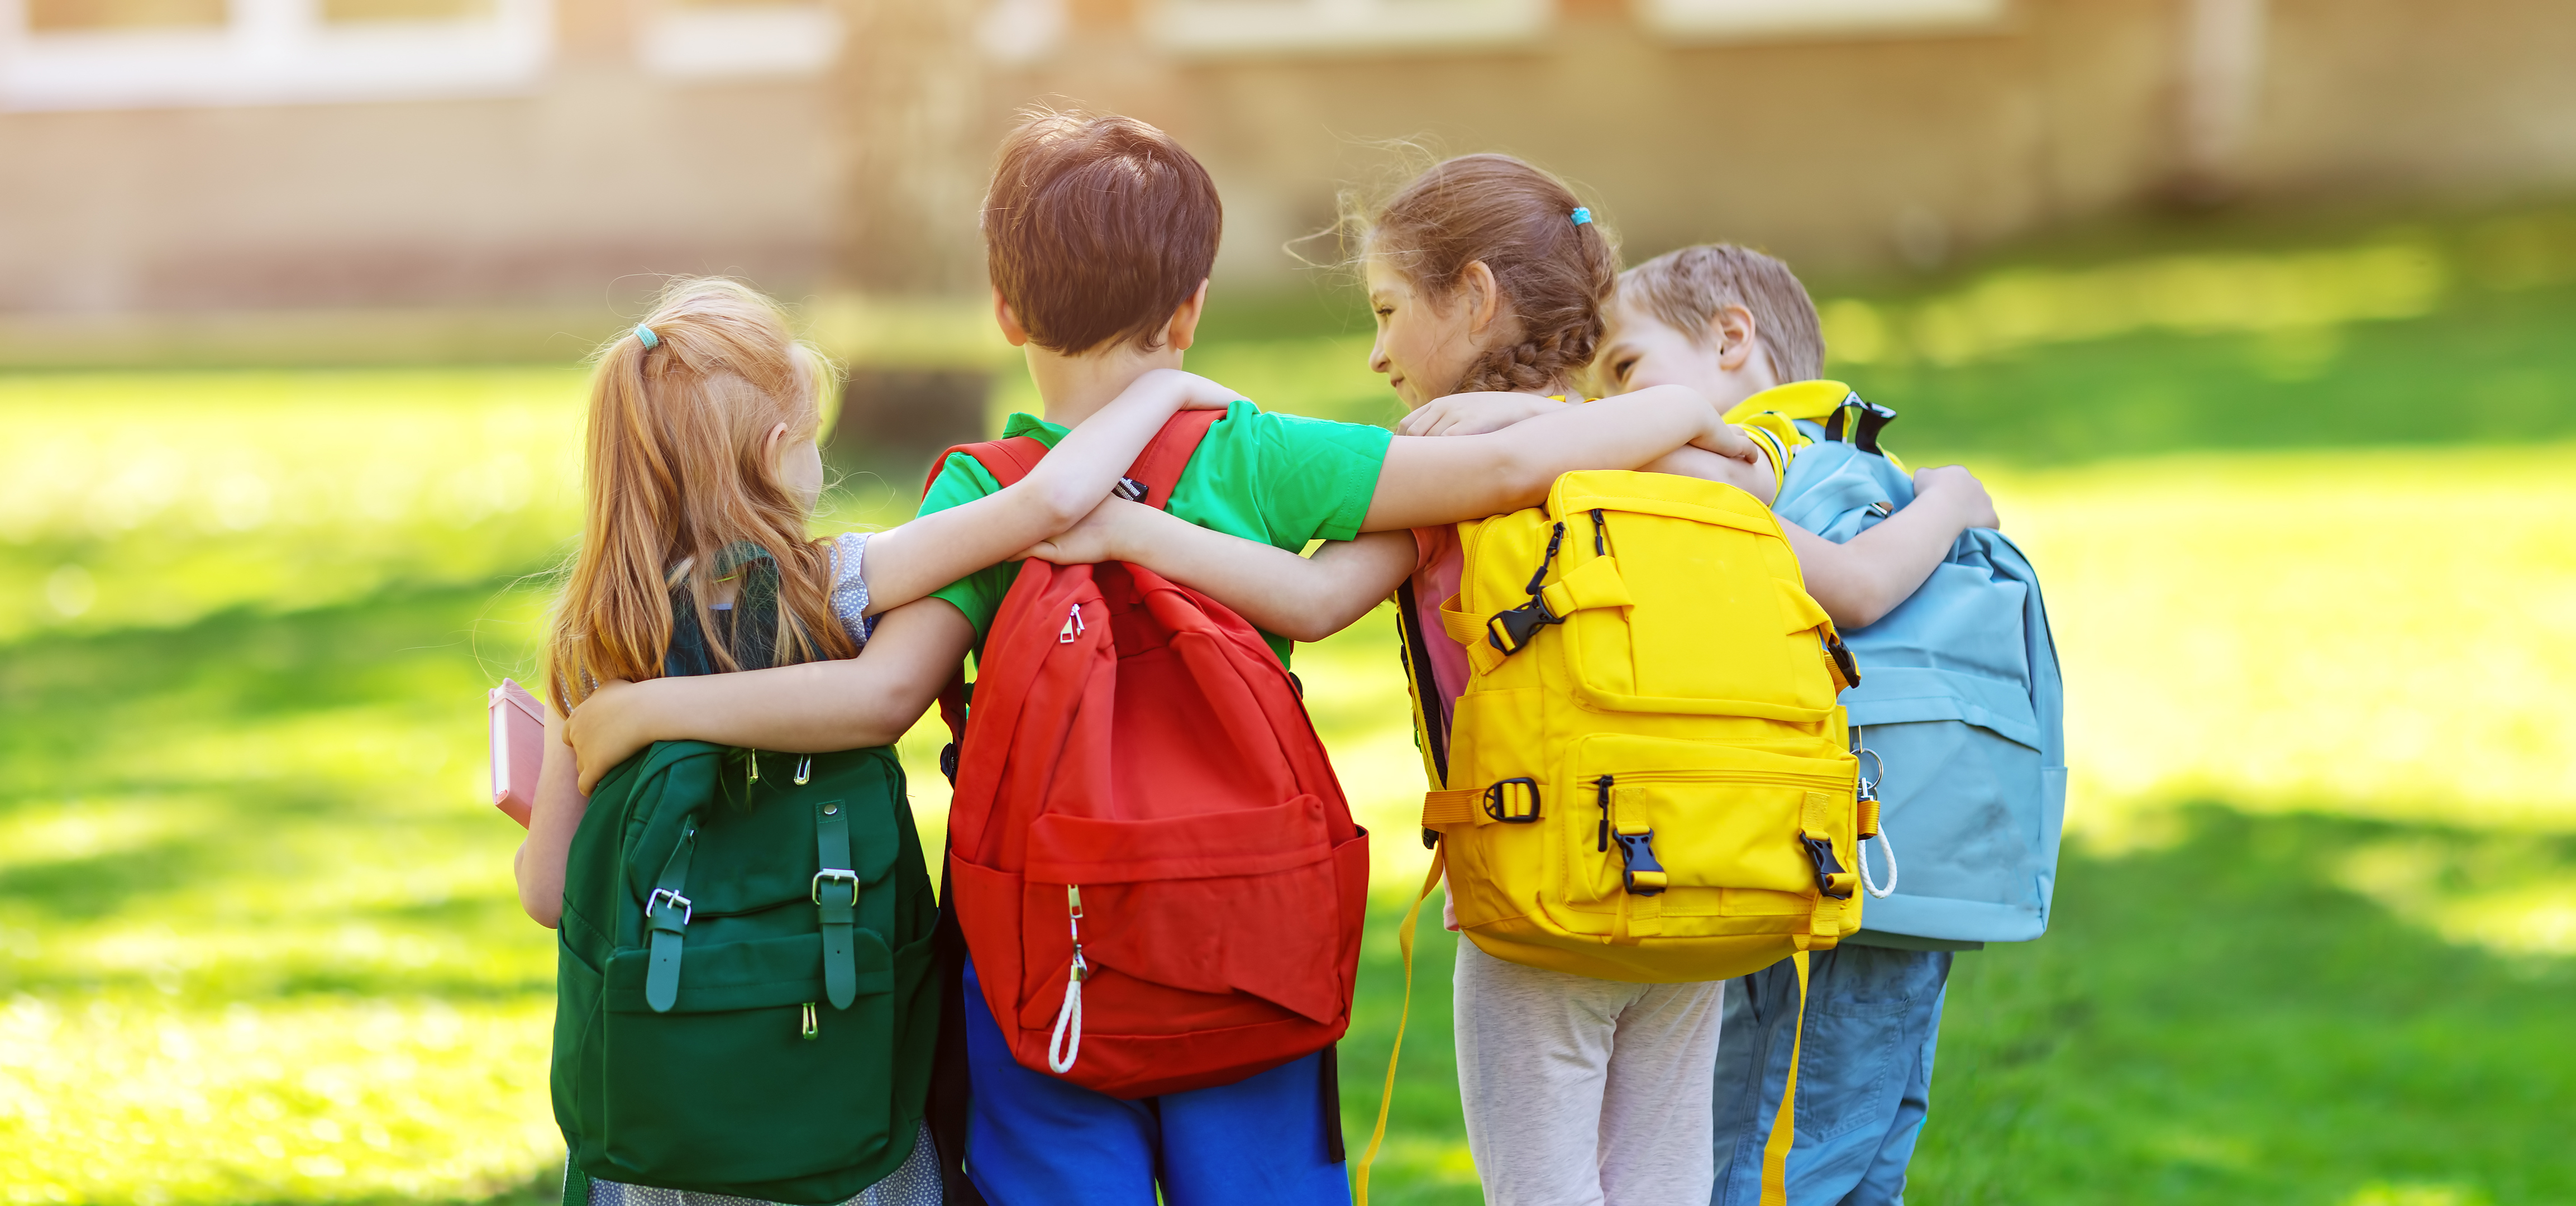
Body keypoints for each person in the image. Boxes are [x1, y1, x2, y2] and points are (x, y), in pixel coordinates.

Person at [561, 112, 1762, 1206]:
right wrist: (1694, 406)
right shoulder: (1259, 455)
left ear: (1005, 310)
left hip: (1046, 955)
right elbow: (1501, 479)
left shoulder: (983, 491)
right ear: (1188, 311)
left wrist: (647, 710)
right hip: (1249, 943)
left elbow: (880, 694)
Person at [1018, 158, 1997, 1206]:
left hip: (1540, 902)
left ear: (1475, 298)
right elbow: (1828, 569)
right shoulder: (1683, 455)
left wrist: (1128, 529)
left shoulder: (1448, 463)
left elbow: (1303, 604)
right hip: (1702, 884)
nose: (1379, 349)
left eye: (1390, 310)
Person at [512, 275, 1244, 1206]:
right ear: (781, 454)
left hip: (668, 1110)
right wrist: (1165, 392)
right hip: (840, 1064)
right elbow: (1048, 502)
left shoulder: (591, 642)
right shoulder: (833, 587)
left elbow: (548, 893)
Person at [1607, 244, 1988, 1206]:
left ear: (1731, 337)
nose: (1614, 404)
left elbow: (1855, 591)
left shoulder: (1754, 459)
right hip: (1904, 852)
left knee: (1774, 1151)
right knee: (1850, 1148)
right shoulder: (1872, 466)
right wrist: (1948, 496)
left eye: (1624, 368)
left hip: (1820, 852)